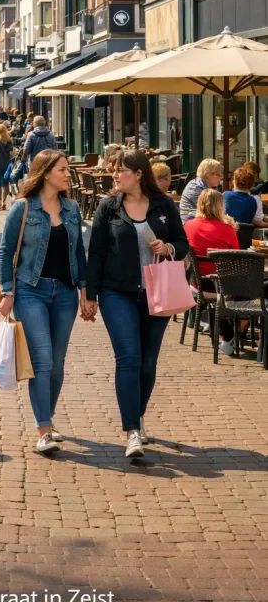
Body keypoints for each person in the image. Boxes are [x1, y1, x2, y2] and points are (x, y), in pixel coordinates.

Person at [86, 149, 189, 460]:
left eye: (121, 171)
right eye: (114, 171)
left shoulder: (163, 205)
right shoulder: (108, 207)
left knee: (147, 362)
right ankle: (131, 431)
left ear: (139, 174)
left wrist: (168, 245)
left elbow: (182, 243)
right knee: (128, 357)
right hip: (116, 292)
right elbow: (97, 253)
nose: (115, 175)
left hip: (157, 293)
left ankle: (138, 414)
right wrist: (90, 295)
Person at [0, 150, 86, 454]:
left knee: (57, 364)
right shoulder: (22, 209)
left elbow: (79, 255)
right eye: (63, 169)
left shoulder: (72, 209)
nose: (68, 174)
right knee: (43, 360)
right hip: (30, 291)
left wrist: (86, 293)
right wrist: (8, 293)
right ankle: (43, 430)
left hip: (65, 294)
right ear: (46, 173)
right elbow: (6, 251)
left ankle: (47, 417)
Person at [184, 189, 241, 356]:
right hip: (222, 286)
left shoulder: (188, 225)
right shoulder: (227, 229)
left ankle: (225, 331)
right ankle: (235, 335)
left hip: (197, 283)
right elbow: (236, 257)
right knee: (251, 288)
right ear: (220, 206)